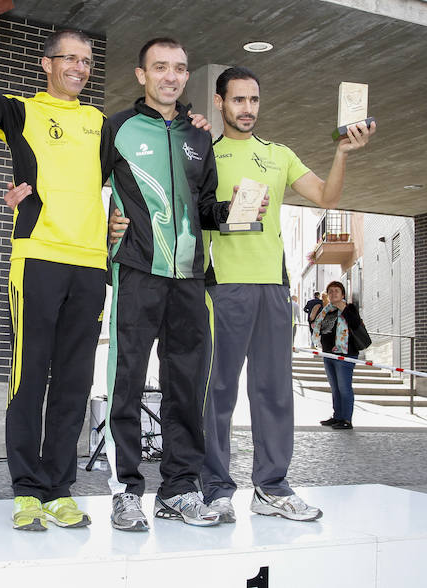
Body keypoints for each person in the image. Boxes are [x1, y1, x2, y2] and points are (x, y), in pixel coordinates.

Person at [110, 65, 373, 523]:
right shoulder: (201, 152)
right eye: (238, 100)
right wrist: (115, 223)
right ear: (219, 102)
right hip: (219, 288)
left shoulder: (279, 154)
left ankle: (272, 487)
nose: (247, 108)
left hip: (273, 288)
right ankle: (215, 489)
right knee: (216, 395)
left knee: (275, 393)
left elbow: (327, 197)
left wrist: (342, 153)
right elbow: (179, 211)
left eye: (253, 100)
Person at [0, 0, 108, 531]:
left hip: (90, 265)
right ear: (47, 64)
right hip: (38, 257)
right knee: (29, 377)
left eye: (87, 61)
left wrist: (192, 123)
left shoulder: (100, 124)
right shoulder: (21, 112)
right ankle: (26, 490)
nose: (79, 68)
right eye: (70, 58)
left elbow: (136, 168)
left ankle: (59, 489)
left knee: (73, 382)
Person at [104, 38, 245, 532]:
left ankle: (179, 489)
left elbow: (204, 207)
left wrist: (231, 211)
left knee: (186, 387)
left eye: (180, 69)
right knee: (125, 382)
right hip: (137, 272)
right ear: (141, 75)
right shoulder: (118, 127)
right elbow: (87, 188)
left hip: (189, 280)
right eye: (160, 67)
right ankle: (125, 491)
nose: (171, 76)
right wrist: (104, 226)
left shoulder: (199, 136)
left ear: (187, 77)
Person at [311, 281, 362, 429]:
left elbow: (355, 324)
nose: (333, 293)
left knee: (344, 388)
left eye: (336, 291)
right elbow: (321, 330)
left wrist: (343, 308)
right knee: (335, 388)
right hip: (329, 354)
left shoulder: (349, 308)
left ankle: (346, 419)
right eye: (330, 291)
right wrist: (312, 318)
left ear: (343, 294)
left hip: (345, 354)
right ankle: (337, 416)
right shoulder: (327, 310)